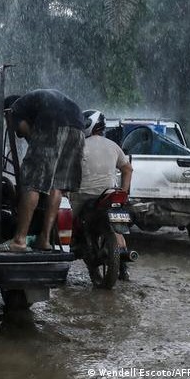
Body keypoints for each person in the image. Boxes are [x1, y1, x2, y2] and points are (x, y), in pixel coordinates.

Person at [0, 89, 86, 252]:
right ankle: (44, 240)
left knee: (32, 183)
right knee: (57, 185)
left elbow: (24, 130)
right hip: (78, 127)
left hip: (52, 124)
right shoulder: (37, 101)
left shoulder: (15, 108)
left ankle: (19, 240)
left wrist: (38, 151)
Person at [71, 109, 133, 279]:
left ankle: (63, 255)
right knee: (117, 226)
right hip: (109, 196)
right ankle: (124, 269)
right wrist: (124, 192)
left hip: (83, 197)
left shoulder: (78, 145)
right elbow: (128, 169)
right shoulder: (114, 146)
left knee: (65, 224)